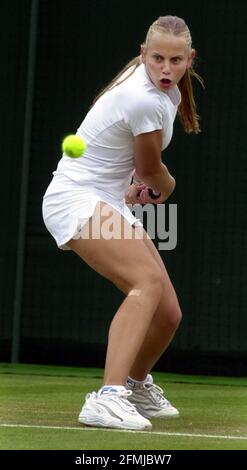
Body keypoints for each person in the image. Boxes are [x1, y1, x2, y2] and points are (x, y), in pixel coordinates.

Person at [42, 15, 203, 431]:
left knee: (168, 313)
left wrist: (130, 186)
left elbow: (128, 165)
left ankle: (133, 385)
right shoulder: (143, 98)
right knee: (145, 283)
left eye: (175, 60)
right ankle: (108, 396)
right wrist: (162, 185)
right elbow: (153, 175)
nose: (165, 69)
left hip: (107, 197)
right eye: (156, 59)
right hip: (74, 199)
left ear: (190, 60)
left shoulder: (158, 91)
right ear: (141, 55)